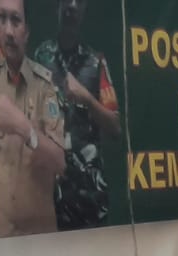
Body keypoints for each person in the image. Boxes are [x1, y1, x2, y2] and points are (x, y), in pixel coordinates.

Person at [0, 0, 66, 238]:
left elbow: (60, 163)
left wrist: (25, 129)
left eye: (16, 20)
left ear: (27, 32)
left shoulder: (45, 87)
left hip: (41, 231)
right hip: (3, 229)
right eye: (2, 19)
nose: (8, 31)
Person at [32, 0, 122, 231]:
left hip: (89, 195)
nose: (71, 7)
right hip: (50, 194)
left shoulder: (96, 62)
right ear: (57, 6)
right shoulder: (41, 56)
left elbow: (115, 127)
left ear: (84, 10)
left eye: (78, 2)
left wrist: (87, 99)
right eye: (66, 2)